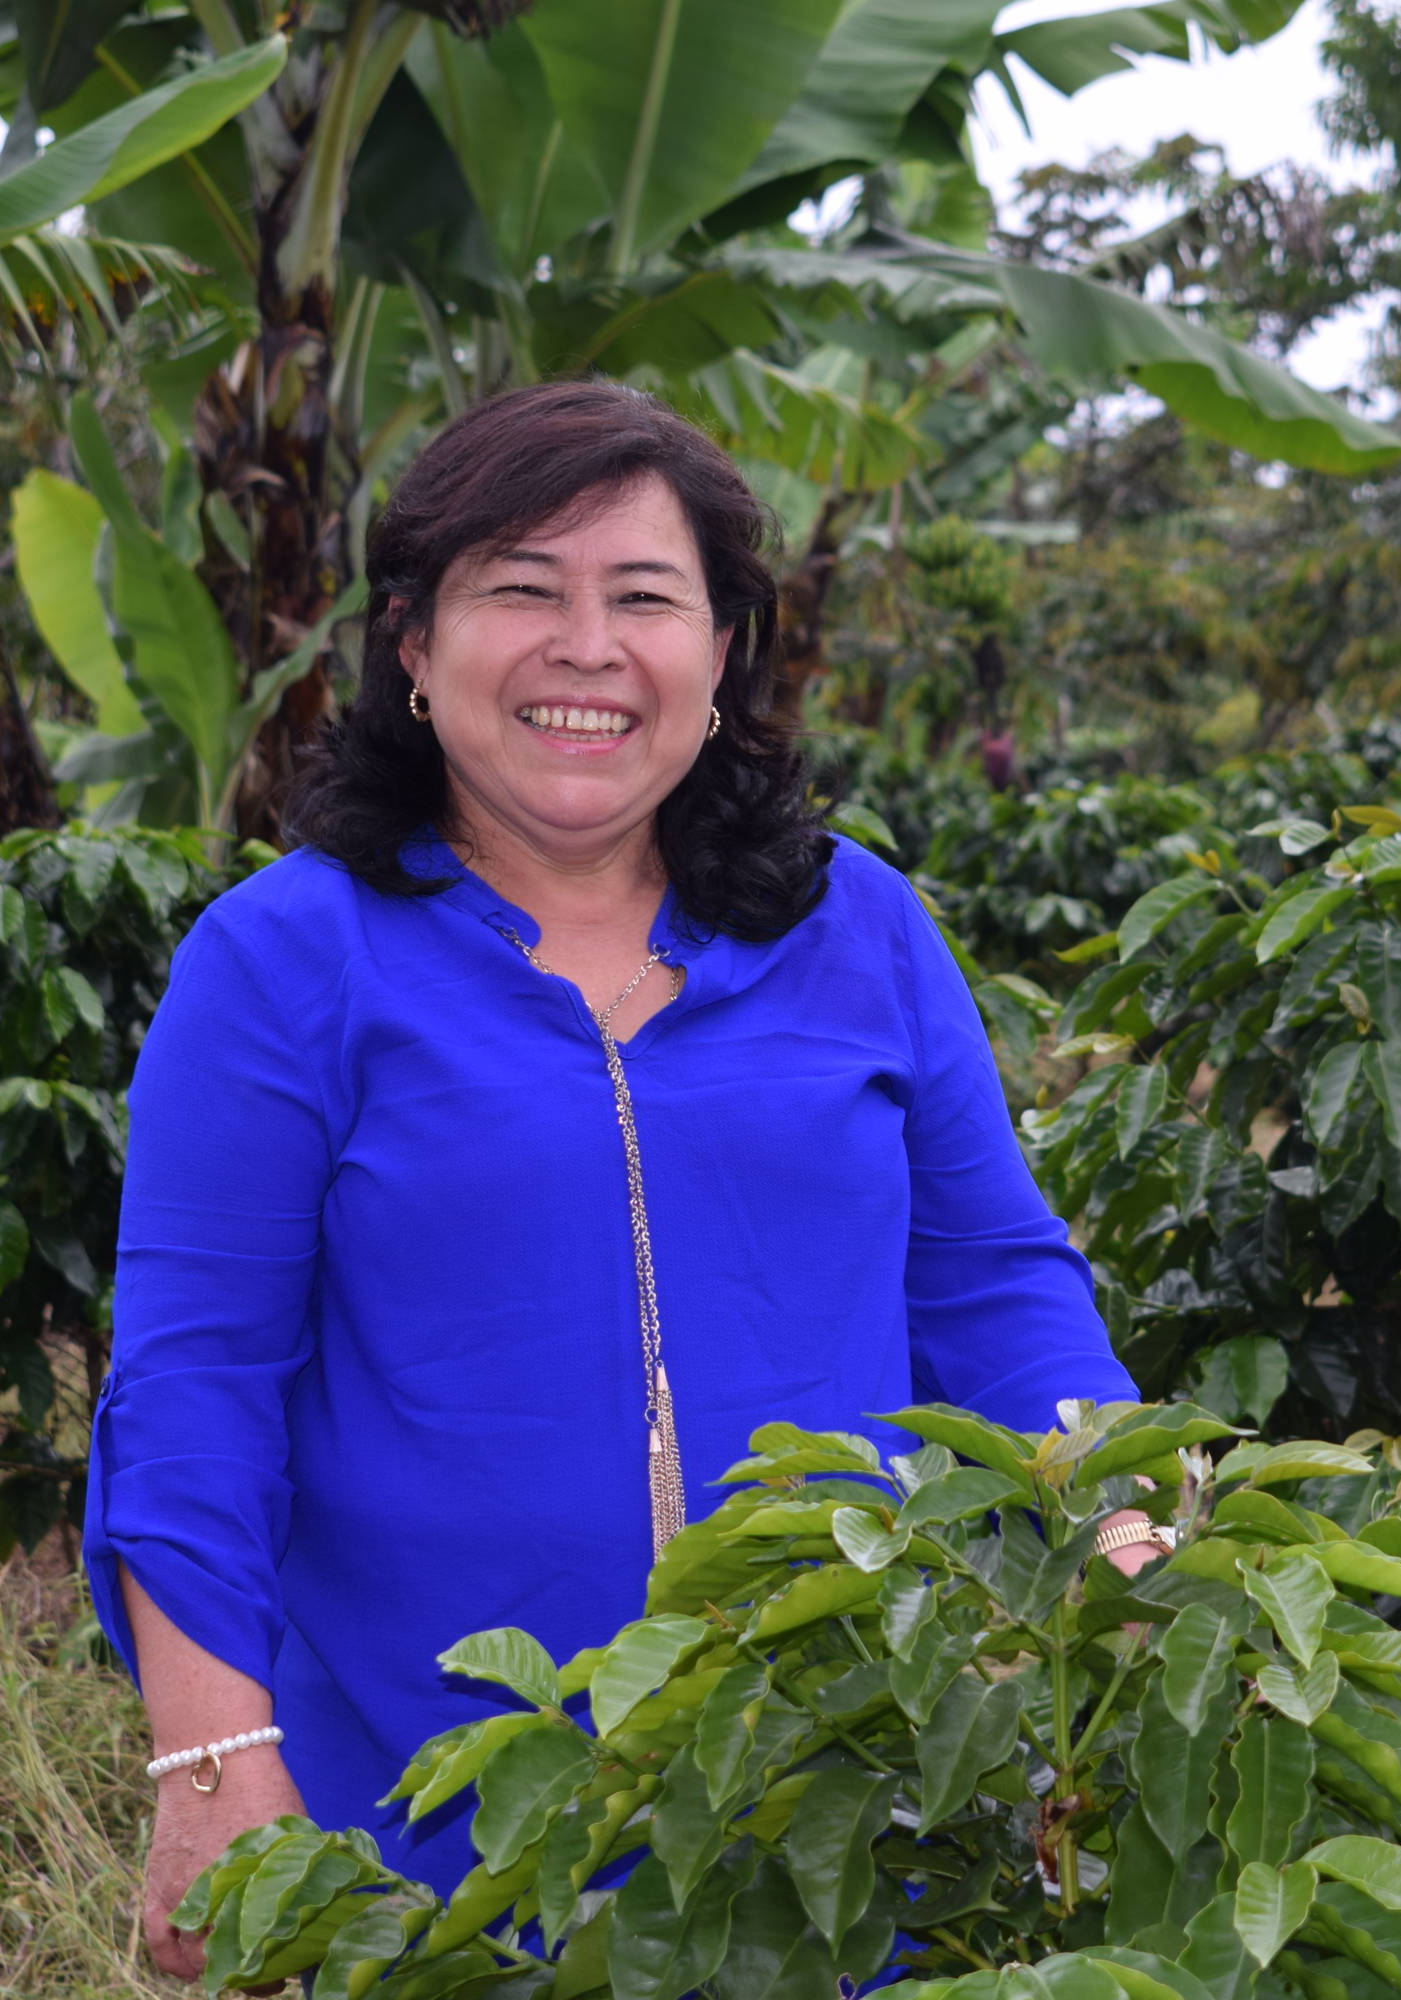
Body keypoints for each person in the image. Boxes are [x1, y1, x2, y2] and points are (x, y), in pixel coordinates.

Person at [85, 380, 1159, 1979]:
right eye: (522, 589)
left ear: (723, 652)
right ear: (412, 644)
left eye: (644, 597)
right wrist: (209, 1767)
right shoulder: (281, 964)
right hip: (428, 1833)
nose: (586, 648)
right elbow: (195, 1383)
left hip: (857, 1803)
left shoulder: (860, 932)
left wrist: (1129, 1533)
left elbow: (995, 1282)